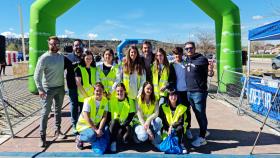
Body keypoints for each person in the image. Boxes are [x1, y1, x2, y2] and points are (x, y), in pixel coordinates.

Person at [34, 36, 66, 147]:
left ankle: (58, 130)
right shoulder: (44, 58)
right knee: (45, 112)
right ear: (49, 44)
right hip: (48, 89)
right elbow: (36, 75)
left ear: (59, 45)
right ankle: (42, 136)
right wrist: (40, 89)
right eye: (52, 44)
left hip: (60, 88)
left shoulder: (61, 56)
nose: (54, 46)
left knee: (58, 111)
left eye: (56, 44)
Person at [184, 41, 214, 147]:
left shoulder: (202, 59)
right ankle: (204, 131)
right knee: (195, 114)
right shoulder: (187, 59)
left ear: (195, 48)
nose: (189, 50)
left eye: (191, 48)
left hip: (199, 92)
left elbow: (210, 73)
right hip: (188, 92)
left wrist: (211, 70)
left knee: (201, 115)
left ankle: (202, 138)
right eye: (187, 49)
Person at [75, 82, 109, 153]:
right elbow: (87, 117)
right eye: (97, 91)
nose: (98, 92)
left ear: (103, 91)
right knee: (92, 136)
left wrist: (99, 129)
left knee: (106, 131)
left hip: (95, 125)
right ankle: (79, 138)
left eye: (100, 91)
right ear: (94, 91)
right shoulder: (88, 100)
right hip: (84, 126)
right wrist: (96, 130)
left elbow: (104, 116)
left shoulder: (105, 100)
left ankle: (94, 140)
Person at [171, 47, 192, 139]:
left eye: (179, 54)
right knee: (176, 111)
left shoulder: (186, 64)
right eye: (175, 54)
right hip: (176, 92)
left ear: (182, 54)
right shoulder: (171, 65)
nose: (177, 56)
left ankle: (187, 129)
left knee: (187, 110)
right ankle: (176, 128)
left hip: (186, 92)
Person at [108, 83, 136, 152]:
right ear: (115, 91)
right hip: (114, 124)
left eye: (121, 91)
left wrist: (124, 125)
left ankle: (123, 141)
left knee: (127, 135)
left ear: (124, 91)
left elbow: (131, 115)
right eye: (117, 91)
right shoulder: (112, 100)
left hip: (125, 124)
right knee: (114, 122)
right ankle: (113, 142)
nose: (119, 92)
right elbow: (108, 114)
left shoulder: (130, 100)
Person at [159, 89, 188, 154]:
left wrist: (172, 127)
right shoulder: (163, 107)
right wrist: (167, 129)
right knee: (167, 144)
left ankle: (181, 144)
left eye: (175, 95)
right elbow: (161, 120)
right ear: (168, 97)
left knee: (180, 128)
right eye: (171, 95)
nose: (173, 97)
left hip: (176, 129)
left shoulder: (182, 107)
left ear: (177, 97)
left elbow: (181, 121)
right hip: (166, 129)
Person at [134, 82, 162, 148]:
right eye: (147, 88)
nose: (149, 90)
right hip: (139, 123)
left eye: (151, 89)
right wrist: (148, 130)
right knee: (143, 136)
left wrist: (148, 120)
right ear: (143, 89)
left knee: (159, 120)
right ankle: (136, 138)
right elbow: (140, 117)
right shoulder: (138, 99)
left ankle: (151, 137)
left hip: (148, 123)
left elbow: (156, 113)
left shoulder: (154, 99)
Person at [65, 39, 84, 135]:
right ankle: (74, 125)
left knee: (83, 106)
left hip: (83, 88)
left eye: (79, 45)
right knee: (74, 105)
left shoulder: (85, 57)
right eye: (76, 45)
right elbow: (60, 70)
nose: (78, 47)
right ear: (73, 47)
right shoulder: (68, 58)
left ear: (82, 47)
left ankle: (81, 124)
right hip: (72, 86)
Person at [75, 50, 96, 119]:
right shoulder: (79, 69)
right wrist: (86, 97)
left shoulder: (94, 69)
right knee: (83, 116)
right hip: (83, 97)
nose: (89, 60)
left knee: (91, 115)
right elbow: (78, 84)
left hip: (92, 96)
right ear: (83, 58)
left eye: (90, 58)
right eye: (87, 58)